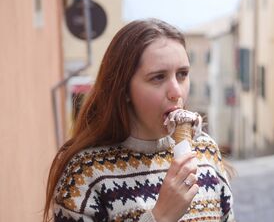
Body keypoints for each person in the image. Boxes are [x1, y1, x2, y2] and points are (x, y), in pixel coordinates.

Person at [43, 19, 235, 221]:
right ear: (124, 89)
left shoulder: (206, 152)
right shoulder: (85, 174)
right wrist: (160, 216)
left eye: (182, 74)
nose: (176, 92)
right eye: (158, 77)